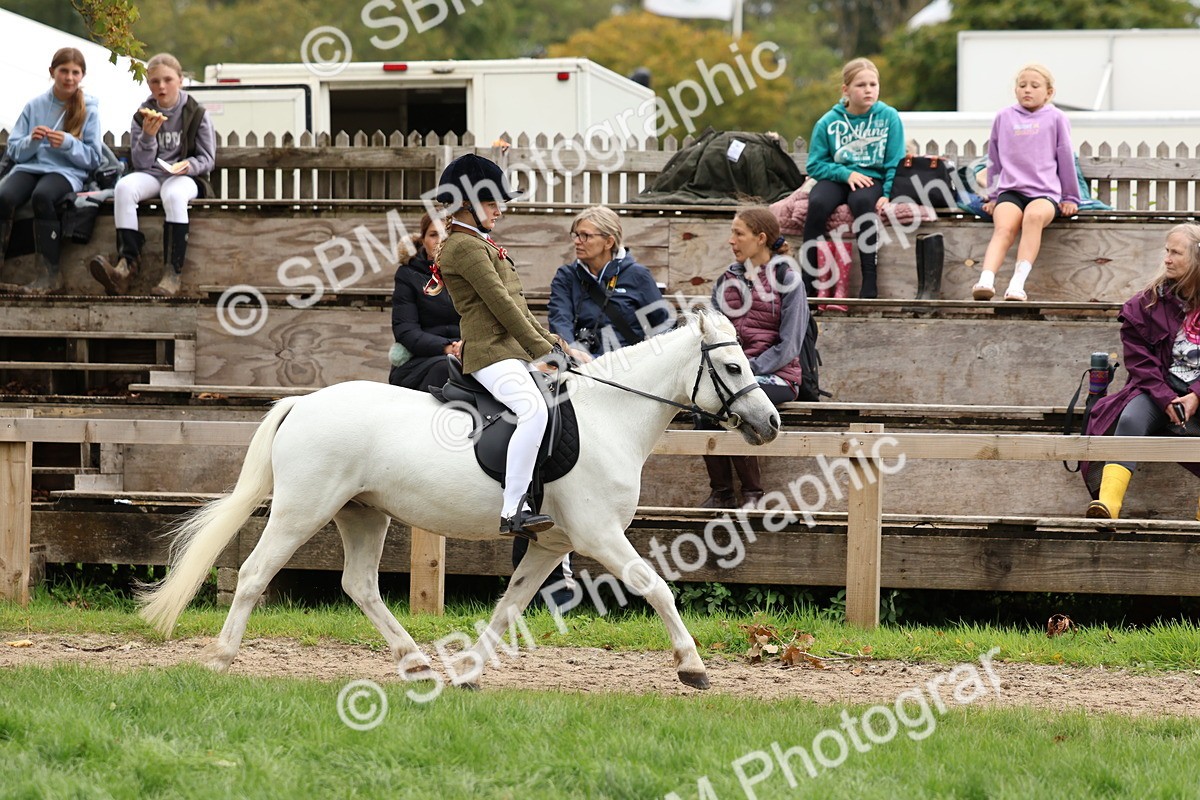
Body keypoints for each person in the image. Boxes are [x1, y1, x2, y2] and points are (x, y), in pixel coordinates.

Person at [430, 153, 585, 540]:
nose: (499, 210)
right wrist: (542, 351)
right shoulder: (465, 248)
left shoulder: (481, 243)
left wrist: (552, 343)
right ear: (466, 203)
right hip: (489, 352)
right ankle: (513, 507)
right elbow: (501, 306)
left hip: (510, 349)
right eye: (491, 202)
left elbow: (518, 307)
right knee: (533, 411)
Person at [1083, 224, 1200, 520]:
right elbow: (1139, 360)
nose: (1167, 259)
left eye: (1176, 253)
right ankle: (1108, 504)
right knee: (1131, 418)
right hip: (1157, 388)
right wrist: (1165, 398)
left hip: (1197, 393)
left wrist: (1196, 395)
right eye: (1167, 251)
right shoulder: (1147, 303)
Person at [703, 207, 810, 509]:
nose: (731, 240)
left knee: (737, 403)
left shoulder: (788, 279)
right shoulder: (726, 281)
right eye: (732, 233)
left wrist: (747, 370)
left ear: (761, 238)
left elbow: (790, 346)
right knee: (704, 406)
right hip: (732, 374)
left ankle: (752, 494)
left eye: (739, 233)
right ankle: (722, 493)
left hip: (778, 375)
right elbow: (714, 335)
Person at [89, 53, 216, 297]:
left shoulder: (197, 113)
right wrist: (148, 137)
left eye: (168, 80)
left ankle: (172, 273)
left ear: (180, 80)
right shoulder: (143, 115)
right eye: (155, 81)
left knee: (173, 194)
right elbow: (141, 163)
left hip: (187, 177)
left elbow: (208, 159)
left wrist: (188, 165)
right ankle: (126, 265)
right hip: (153, 174)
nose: (161, 87)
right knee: (124, 188)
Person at [972, 64, 1079, 302]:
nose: (1027, 90)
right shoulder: (1004, 117)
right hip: (1011, 191)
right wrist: (992, 196)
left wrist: (1071, 197)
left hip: (1044, 194)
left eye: (1034, 86)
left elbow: (1065, 158)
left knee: (1033, 218)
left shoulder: (1057, 118)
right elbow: (994, 158)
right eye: (1022, 85)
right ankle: (986, 281)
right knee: (1004, 228)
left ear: (1049, 92)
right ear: (1015, 90)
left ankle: (1017, 285)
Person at [0, 47, 103, 294]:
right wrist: (32, 141)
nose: (69, 77)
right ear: (52, 72)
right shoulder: (34, 105)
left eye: (75, 72)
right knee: (3, 196)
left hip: (67, 172)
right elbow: (14, 151)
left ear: (82, 75)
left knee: (43, 196)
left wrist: (68, 143)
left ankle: (50, 276)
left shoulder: (89, 109)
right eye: (63, 71)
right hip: (30, 166)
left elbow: (93, 159)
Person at [802, 57, 904, 301]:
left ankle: (869, 281)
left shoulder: (889, 117)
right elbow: (814, 164)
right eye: (861, 85)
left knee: (862, 202)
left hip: (871, 178)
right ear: (845, 89)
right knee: (817, 204)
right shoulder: (828, 122)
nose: (868, 90)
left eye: (873, 84)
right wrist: (845, 173)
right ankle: (808, 282)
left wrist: (887, 193)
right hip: (837, 176)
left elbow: (895, 162)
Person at [547, 205, 668, 356]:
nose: (577, 241)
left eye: (585, 235)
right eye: (576, 235)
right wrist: (573, 355)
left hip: (627, 364)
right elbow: (560, 320)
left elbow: (663, 327)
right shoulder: (566, 277)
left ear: (609, 242)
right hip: (579, 363)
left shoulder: (638, 276)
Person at [388, 213, 458, 390]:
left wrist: (465, 347)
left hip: (469, 353)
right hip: (422, 358)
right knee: (447, 369)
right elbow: (405, 330)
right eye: (433, 235)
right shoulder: (407, 274)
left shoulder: (472, 273)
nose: (440, 241)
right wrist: (447, 348)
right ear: (423, 240)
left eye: (447, 235)